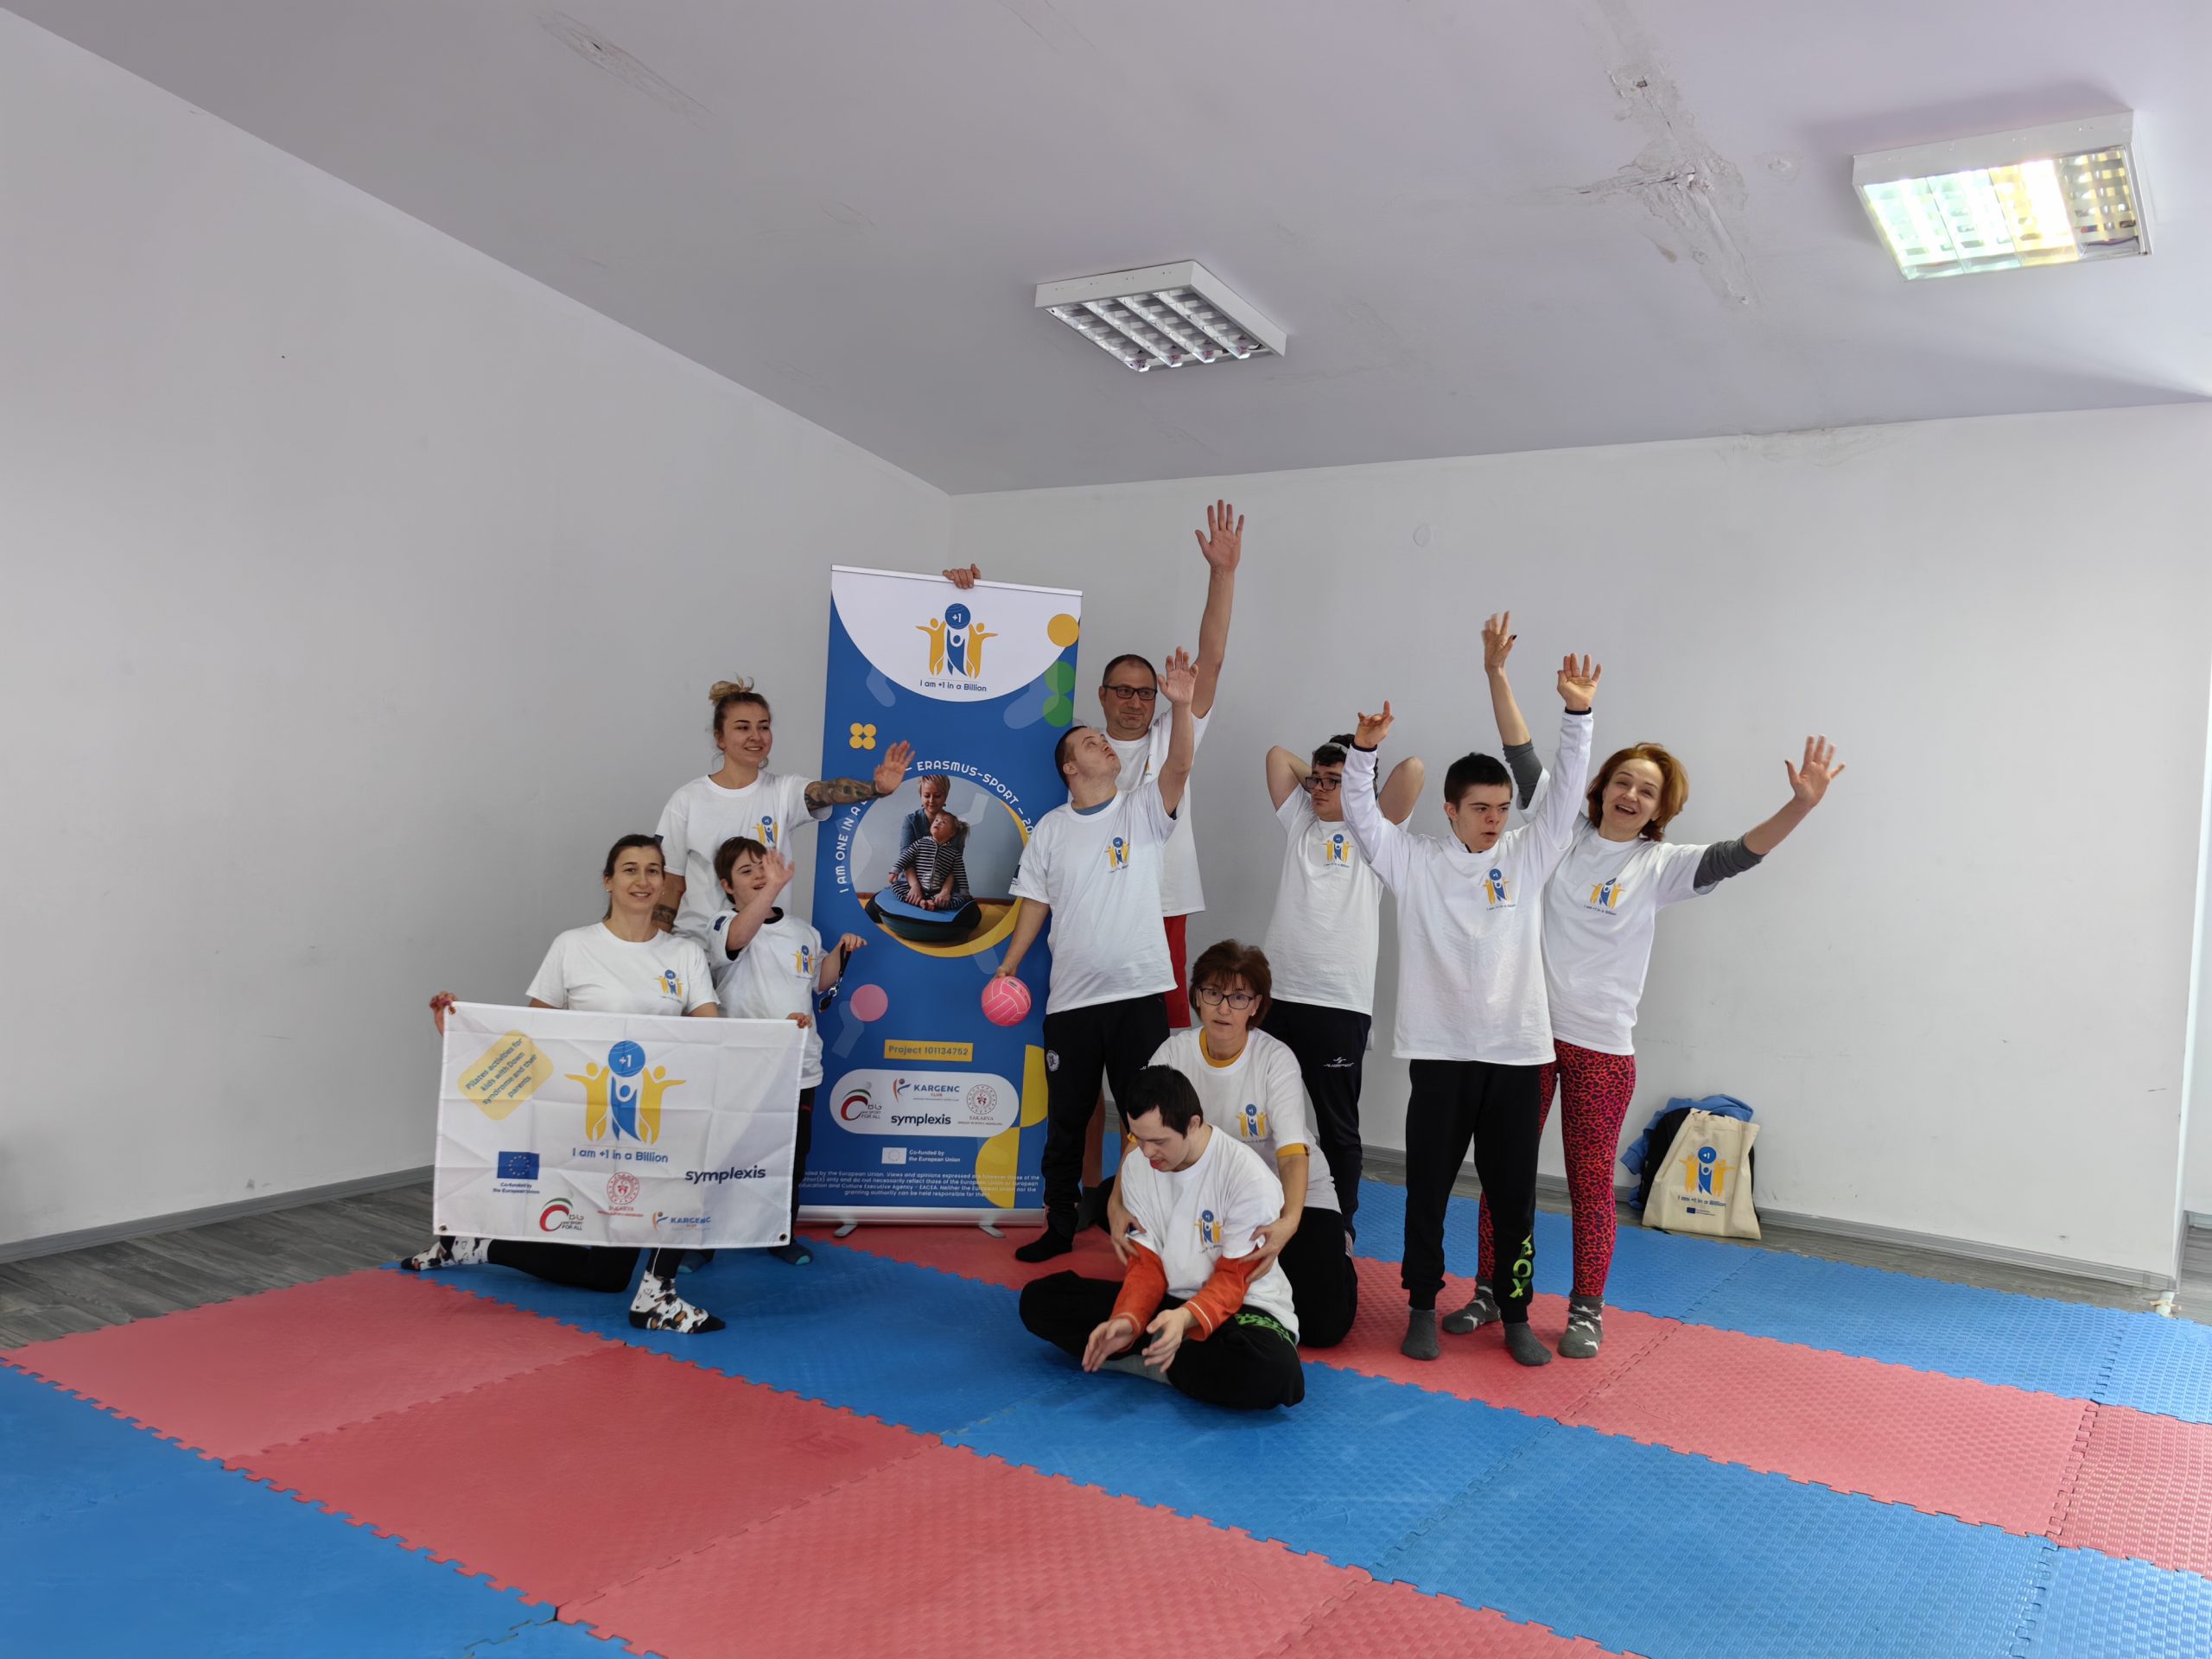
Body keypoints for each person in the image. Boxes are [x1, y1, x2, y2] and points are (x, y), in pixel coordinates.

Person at [1457, 617, 1846, 1357]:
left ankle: (1586, 1308)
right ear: (1600, 789)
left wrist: (1800, 805)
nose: (1632, 794)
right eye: (1623, 781)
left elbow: (1739, 854)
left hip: (1602, 1048)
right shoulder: (1559, 832)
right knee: (1506, 1174)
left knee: (1589, 1185)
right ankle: (1490, 1290)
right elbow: (1522, 754)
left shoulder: (1661, 868)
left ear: (1660, 809)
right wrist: (1496, 674)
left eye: (1648, 790)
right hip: (1527, 1037)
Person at [1342, 650, 1603, 1368]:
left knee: (1514, 1198)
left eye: (1502, 808)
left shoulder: (1527, 855)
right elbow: (1361, 819)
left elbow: (1565, 793)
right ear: (1450, 810)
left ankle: (1515, 1313)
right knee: (1427, 1191)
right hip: (1440, 1055)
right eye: (1480, 808)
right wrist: (1363, 753)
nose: (1494, 819)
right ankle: (1422, 1307)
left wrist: (1578, 713)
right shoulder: (1414, 862)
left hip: (1517, 1056)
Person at [411, 835, 729, 1334]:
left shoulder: (684, 954)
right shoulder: (574, 946)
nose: (643, 880)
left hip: (654, 1114)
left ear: (664, 882)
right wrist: (464, 1037)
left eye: (653, 870)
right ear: (608, 881)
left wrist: (783, 1036)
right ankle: (481, 1247)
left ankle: (653, 1294)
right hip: (589, 1119)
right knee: (605, 1276)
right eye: (630, 869)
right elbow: (534, 1036)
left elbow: (716, 1037)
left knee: (674, 1184)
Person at [995, 647, 1200, 1262]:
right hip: (1072, 1003)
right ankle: (1059, 1226)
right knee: (1067, 1120)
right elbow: (1035, 902)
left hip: (1138, 996)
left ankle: (1152, 1230)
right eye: (1091, 742)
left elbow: (1180, 764)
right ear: (1070, 767)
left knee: (1151, 1121)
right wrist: (1009, 965)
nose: (1105, 745)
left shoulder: (1143, 809)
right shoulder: (1051, 829)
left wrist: (1182, 706)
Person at [1019, 1067, 1304, 1411]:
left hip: (1241, 1306)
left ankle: (1152, 1357)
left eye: (1159, 1141)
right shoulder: (1138, 1166)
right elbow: (1146, 1263)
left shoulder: (1247, 1176)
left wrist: (1184, 1320)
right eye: (1138, 1138)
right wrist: (1127, 1319)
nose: (1147, 1152)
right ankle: (1160, 1351)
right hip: (1166, 1302)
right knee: (1039, 1300)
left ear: (1193, 1124)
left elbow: (1234, 1278)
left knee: (1275, 1372)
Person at [1123, 941, 1358, 1347]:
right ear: (1197, 996)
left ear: (1256, 1005)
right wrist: (1117, 1203)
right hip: (1214, 1196)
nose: (1224, 1008)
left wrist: (1289, 1223)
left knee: (1324, 1327)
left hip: (1292, 1193)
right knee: (1171, 1290)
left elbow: (1292, 1153)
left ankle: (1341, 1244)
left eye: (1238, 997)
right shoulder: (1173, 1054)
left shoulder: (1275, 1059)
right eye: (1213, 993)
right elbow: (1138, 1142)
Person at [1259, 734, 1425, 1237]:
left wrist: (1354, 782)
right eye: (1315, 779)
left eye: (1334, 781)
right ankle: (1262, 1208)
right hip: (1277, 996)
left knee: (1337, 1125)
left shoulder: (1374, 833)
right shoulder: (1301, 822)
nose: (1318, 789)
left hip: (1338, 1003)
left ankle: (1340, 1226)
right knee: (1261, 1113)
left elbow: (1413, 769)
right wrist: (1324, 775)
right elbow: (1276, 757)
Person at [654, 678, 912, 949]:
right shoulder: (687, 800)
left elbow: (828, 791)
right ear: (720, 738)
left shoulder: (784, 791)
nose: (756, 736)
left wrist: (876, 788)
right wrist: (655, 950)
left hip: (765, 950)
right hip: (699, 947)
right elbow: (671, 885)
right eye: (743, 727)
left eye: (763, 727)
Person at [709, 836, 864, 1268]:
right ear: (727, 886)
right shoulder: (722, 923)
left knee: (791, 1160)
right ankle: (704, 1241)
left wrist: (840, 951)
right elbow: (738, 939)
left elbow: (819, 981)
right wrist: (773, 889)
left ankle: (780, 1234)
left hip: (799, 1067)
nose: (761, 876)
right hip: (741, 1070)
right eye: (747, 871)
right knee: (724, 1155)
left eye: (765, 867)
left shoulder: (802, 931)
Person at [887, 810, 972, 911]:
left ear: (952, 833)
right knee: (896, 887)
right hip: (917, 887)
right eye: (936, 820)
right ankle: (921, 902)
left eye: (943, 822)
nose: (938, 823)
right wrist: (895, 870)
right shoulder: (920, 843)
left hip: (938, 892)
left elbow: (960, 873)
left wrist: (965, 892)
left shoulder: (954, 853)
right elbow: (906, 857)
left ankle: (931, 903)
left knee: (958, 899)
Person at [897, 773, 969, 855]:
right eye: (926, 796)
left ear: (946, 796)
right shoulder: (911, 821)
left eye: (937, 796)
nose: (931, 801)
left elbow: (956, 858)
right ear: (921, 796)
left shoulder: (955, 825)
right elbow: (905, 857)